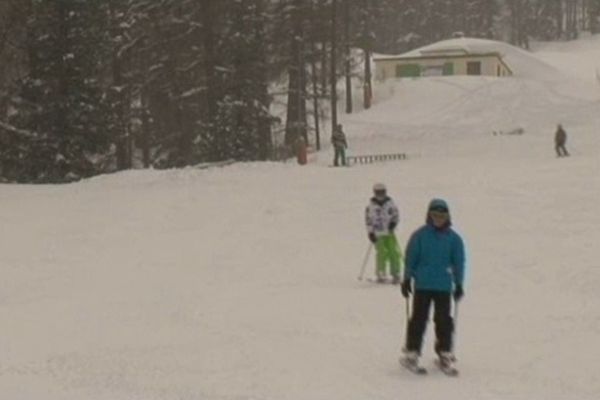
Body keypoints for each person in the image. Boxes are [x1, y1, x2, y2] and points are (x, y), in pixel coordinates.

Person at [400, 198, 465, 370]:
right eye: (434, 215)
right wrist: (407, 278)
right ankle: (412, 351)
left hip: (443, 286)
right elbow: (411, 258)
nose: (438, 219)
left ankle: (444, 351)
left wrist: (459, 284)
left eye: (441, 215)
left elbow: (459, 262)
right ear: (429, 215)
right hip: (423, 285)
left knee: (443, 320)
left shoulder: (454, 239)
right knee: (419, 319)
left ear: (447, 216)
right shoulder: (420, 236)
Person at [365, 183, 402, 284]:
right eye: (378, 193)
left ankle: (395, 272)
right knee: (381, 253)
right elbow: (368, 220)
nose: (380, 195)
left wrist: (393, 224)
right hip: (378, 233)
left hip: (389, 232)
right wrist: (370, 232)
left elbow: (396, 215)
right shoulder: (370, 206)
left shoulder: (390, 204)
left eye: (382, 192)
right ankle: (381, 272)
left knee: (393, 252)